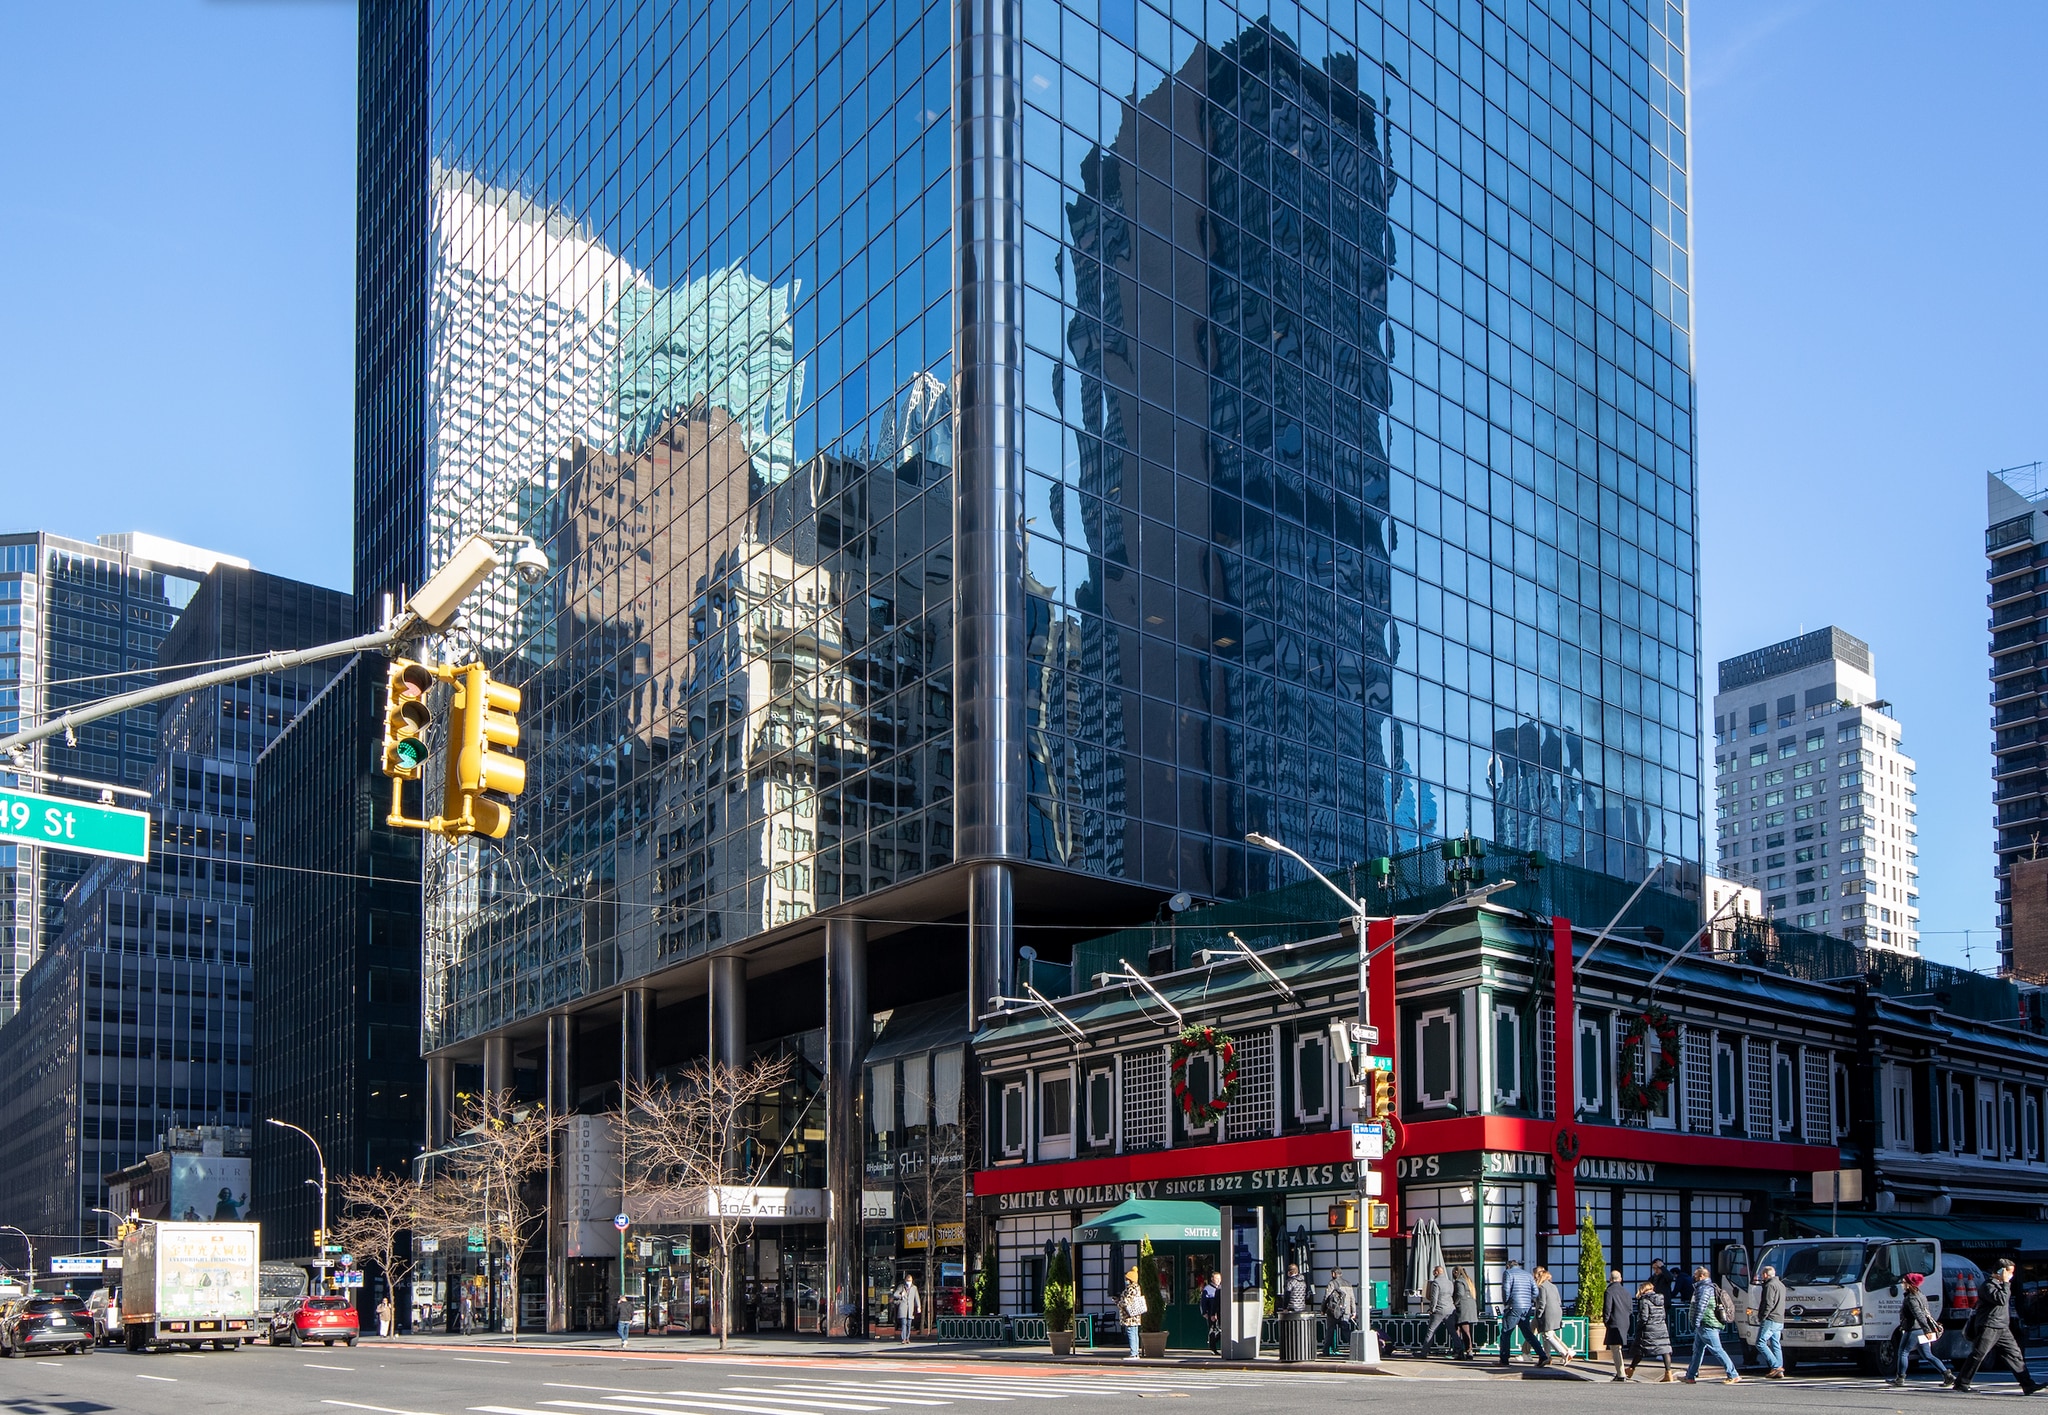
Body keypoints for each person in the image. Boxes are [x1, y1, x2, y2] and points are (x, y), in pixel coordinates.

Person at [1954, 1258, 2037, 1394]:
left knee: (2014, 1355)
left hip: (2002, 1326)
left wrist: (2005, 1283)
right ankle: (1962, 1382)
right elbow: (2001, 1299)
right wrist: (2005, 1282)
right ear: (2001, 1272)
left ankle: (2027, 1385)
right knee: (1979, 1354)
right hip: (1989, 1325)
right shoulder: (1988, 1286)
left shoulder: (2000, 1285)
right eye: (2010, 1272)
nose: (2011, 1276)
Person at [1890, 1271, 1953, 1388]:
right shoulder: (1921, 1295)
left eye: (1903, 1282)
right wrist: (1926, 1329)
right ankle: (1947, 1375)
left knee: (1903, 1352)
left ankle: (1900, 1378)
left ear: (1909, 1284)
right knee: (1927, 1355)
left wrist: (1927, 1330)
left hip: (1913, 1329)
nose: (1902, 1284)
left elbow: (1918, 1314)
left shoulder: (1911, 1298)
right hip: (1921, 1330)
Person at [1682, 1264, 1741, 1384]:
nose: (1694, 1277)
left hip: (1707, 1323)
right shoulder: (1709, 1287)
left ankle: (1733, 1374)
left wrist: (1696, 1322)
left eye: (1696, 1275)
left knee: (1717, 1350)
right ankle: (1690, 1376)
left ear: (1702, 1276)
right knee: (1697, 1350)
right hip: (1707, 1323)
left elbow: (1700, 1307)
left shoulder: (1703, 1289)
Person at [1624, 1280, 1673, 1382]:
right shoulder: (1660, 1299)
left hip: (1648, 1329)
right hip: (1661, 1328)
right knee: (1665, 1350)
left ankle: (1631, 1369)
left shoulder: (1644, 1300)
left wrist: (1638, 1327)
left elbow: (1644, 1317)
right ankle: (1668, 1373)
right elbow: (1663, 1315)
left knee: (1640, 1349)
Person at [1498, 1258, 1537, 1366]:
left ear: (1508, 1266)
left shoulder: (1508, 1273)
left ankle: (1504, 1359)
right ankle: (1542, 1356)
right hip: (1526, 1307)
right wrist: (1528, 1300)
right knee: (1528, 1334)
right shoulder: (1528, 1275)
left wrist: (1506, 1302)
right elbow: (1536, 1291)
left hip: (1513, 1307)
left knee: (1506, 1333)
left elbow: (1506, 1290)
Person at [1752, 1262, 1787, 1380]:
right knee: (1775, 1344)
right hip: (1779, 1318)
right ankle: (1779, 1369)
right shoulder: (1781, 1285)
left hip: (1770, 1318)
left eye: (1762, 1275)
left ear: (1766, 1275)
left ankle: (1776, 1366)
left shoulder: (1769, 1285)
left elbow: (1768, 1303)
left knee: (1760, 1342)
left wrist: (1762, 1316)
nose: (1761, 1277)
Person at [1532, 1266, 1570, 1367]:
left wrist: (1538, 1314)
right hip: (1557, 1311)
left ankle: (1564, 1353)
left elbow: (1542, 1303)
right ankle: (1547, 1356)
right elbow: (1559, 1301)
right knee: (1546, 1335)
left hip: (1548, 1313)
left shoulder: (1541, 1287)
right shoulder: (1553, 1286)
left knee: (1548, 1335)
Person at [1602, 1268, 1634, 1382]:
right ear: (1620, 1279)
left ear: (1610, 1279)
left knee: (1615, 1348)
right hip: (1624, 1321)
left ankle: (1621, 1373)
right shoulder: (1626, 1292)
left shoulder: (1609, 1291)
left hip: (1614, 1321)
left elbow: (1607, 1309)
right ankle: (1621, 1372)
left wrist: (1605, 1321)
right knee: (1618, 1347)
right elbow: (1630, 1309)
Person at [1419, 1265, 1453, 1357]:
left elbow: (1434, 1297)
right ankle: (1459, 1350)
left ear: (1437, 1272)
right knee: (1453, 1332)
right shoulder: (1450, 1282)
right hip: (1450, 1309)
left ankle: (1424, 1352)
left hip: (1438, 1310)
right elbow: (1451, 1294)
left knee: (1430, 1331)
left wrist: (1432, 1309)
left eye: (1434, 1271)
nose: (1433, 1273)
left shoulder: (1436, 1282)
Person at [1322, 1269, 1357, 1358]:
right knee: (1346, 1331)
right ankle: (1354, 1350)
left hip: (1333, 1311)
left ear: (1334, 1274)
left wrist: (1323, 1309)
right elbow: (1352, 1298)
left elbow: (1326, 1297)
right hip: (1346, 1311)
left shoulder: (1332, 1283)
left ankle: (1326, 1351)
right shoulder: (1348, 1283)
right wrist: (1354, 1311)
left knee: (1330, 1331)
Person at [1118, 1267, 1146, 1361]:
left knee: (1131, 1332)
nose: (1126, 1280)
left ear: (1130, 1279)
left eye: (1127, 1279)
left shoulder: (1130, 1289)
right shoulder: (1137, 1287)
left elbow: (1126, 1302)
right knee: (1134, 1333)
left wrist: (1118, 1302)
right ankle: (1135, 1352)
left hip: (1129, 1316)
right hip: (1136, 1315)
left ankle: (1133, 1353)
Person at [1452, 1266, 1479, 1360]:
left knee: (1461, 1329)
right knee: (1466, 1329)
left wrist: (1454, 1303)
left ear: (1456, 1272)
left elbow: (1460, 1293)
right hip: (1470, 1306)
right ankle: (1468, 1351)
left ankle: (1462, 1351)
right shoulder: (1468, 1280)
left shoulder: (1459, 1281)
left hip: (1462, 1307)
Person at [892, 1273, 921, 1345]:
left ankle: (908, 1338)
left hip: (910, 1309)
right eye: (908, 1280)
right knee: (904, 1324)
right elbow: (895, 1294)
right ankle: (903, 1339)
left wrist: (918, 1307)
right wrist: (900, 1295)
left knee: (909, 1324)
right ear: (905, 1280)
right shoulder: (901, 1287)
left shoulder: (914, 1288)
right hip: (903, 1308)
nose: (909, 1282)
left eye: (910, 1280)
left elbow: (916, 1298)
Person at [1200, 1270, 1221, 1354]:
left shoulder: (1221, 1288)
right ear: (1212, 1279)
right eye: (1217, 1278)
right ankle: (1213, 1348)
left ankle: (1213, 1343)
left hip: (1220, 1312)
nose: (1219, 1280)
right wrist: (1204, 1312)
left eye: (1220, 1278)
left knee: (1221, 1330)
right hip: (1211, 1312)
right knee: (1212, 1330)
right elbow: (1203, 1302)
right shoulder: (1207, 1289)